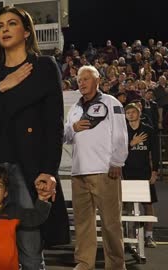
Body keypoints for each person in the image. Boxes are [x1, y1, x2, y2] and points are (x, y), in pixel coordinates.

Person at [0, 6, 69, 269]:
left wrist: (48, 170)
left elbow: (53, 124)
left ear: (26, 31)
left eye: (11, 24)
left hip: (28, 168)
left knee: (30, 250)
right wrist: (2, 87)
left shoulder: (44, 66)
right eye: (0, 26)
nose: (5, 29)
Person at [64, 65, 128, 270]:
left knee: (110, 223)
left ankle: (116, 265)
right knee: (83, 223)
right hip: (78, 172)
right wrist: (72, 128)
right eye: (79, 80)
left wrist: (117, 161)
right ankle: (84, 263)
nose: (81, 83)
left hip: (104, 170)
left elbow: (120, 134)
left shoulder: (111, 102)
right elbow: (65, 136)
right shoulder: (74, 109)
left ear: (97, 80)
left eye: (86, 79)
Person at [123, 103, 159, 248]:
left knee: (148, 204)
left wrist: (155, 171)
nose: (130, 114)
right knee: (128, 205)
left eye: (133, 112)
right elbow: (116, 150)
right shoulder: (123, 130)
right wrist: (131, 143)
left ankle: (149, 236)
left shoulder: (148, 130)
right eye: (128, 113)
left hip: (144, 172)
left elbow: (155, 152)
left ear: (139, 113)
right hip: (127, 172)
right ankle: (130, 237)